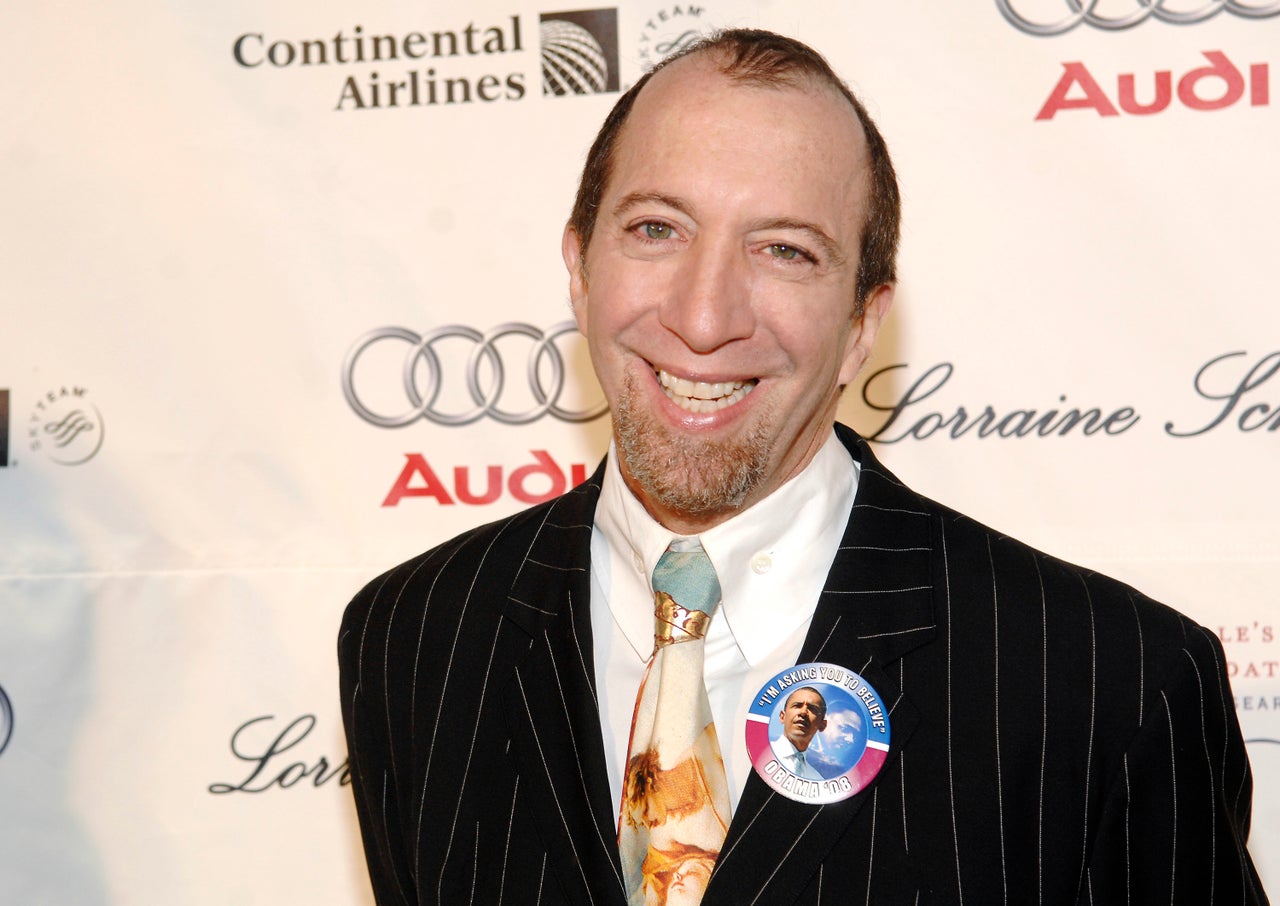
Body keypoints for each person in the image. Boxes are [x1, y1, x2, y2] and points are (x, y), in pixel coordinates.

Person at [339, 28, 1268, 905]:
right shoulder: (411, 640)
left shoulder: (1113, 685)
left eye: (785, 251)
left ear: (864, 320)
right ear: (580, 268)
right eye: (658, 229)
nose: (705, 318)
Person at [770, 687, 829, 781]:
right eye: (797, 705)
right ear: (782, 717)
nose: (803, 712)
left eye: (812, 708)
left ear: (822, 725)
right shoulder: (761, 756)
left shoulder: (817, 781)